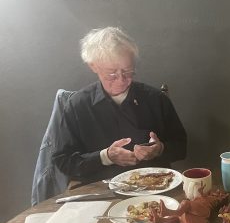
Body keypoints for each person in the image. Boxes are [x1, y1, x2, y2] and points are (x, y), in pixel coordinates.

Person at [52, 27, 187, 184]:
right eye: (111, 74)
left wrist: (159, 149)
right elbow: (63, 161)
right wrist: (106, 157)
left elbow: (181, 148)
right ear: (93, 66)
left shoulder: (156, 99)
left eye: (128, 71)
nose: (121, 80)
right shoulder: (77, 105)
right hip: (100, 188)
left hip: (154, 185)